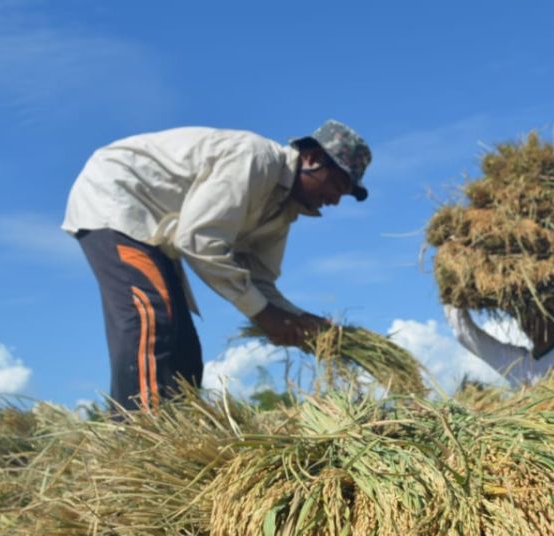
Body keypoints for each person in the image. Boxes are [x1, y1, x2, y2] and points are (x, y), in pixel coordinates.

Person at [62, 120, 372, 411]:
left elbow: (259, 283)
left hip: (157, 232)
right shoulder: (255, 160)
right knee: (151, 320)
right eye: (337, 184)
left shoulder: (281, 213)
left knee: (184, 353)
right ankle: (137, 442)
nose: (335, 200)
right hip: (119, 196)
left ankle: (178, 435)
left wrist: (300, 320)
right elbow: (198, 239)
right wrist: (266, 315)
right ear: (312, 158)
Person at [443, 284, 554, 387]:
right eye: (525, 318)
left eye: (538, 316)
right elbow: (465, 335)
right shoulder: (518, 365)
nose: (530, 323)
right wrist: (452, 299)